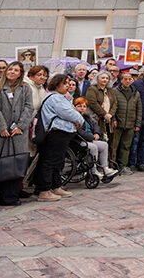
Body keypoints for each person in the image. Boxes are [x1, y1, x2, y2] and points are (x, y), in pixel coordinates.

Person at [0, 61, 33, 208]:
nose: (12, 72)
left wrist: (21, 126)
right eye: (11, 69)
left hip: (18, 133)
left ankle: (9, 196)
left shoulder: (25, 88)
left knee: (15, 165)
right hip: (0, 134)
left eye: (16, 70)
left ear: (20, 73)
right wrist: (1, 127)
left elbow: (29, 107)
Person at [34, 74, 82, 202]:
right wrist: (80, 119)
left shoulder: (62, 97)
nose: (68, 86)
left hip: (63, 133)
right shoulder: (55, 98)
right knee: (50, 161)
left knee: (58, 161)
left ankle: (55, 186)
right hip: (56, 133)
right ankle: (44, 190)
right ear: (57, 84)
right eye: (65, 83)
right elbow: (70, 113)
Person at [73, 97, 115, 179]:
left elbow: (95, 125)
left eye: (84, 106)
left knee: (104, 145)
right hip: (78, 141)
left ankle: (105, 168)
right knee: (93, 147)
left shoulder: (87, 117)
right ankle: (93, 170)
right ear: (75, 107)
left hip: (90, 139)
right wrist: (92, 137)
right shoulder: (74, 117)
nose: (82, 108)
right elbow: (79, 132)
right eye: (79, 106)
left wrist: (96, 133)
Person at [110, 69, 141, 173]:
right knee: (114, 146)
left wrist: (137, 124)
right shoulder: (114, 91)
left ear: (132, 80)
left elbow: (139, 109)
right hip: (117, 123)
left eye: (129, 79)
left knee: (126, 146)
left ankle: (123, 165)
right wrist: (113, 119)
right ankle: (112, 165)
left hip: (130, 124)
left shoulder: (136, 93)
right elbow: (112, 106)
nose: (127, 81)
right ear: (121, 80)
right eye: (125, 79)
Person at [84, 71, 117, 140]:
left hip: (108, 119)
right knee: (99, 138)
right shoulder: (92, 89)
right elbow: (92, 103)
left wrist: (110, 114)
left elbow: (115, 103)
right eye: (103, 78)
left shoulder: (110, 90)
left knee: (108, 139)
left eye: (107, 78)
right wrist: (104, 114)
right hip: (96, 118)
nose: (105, 80)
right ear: (97, 79)